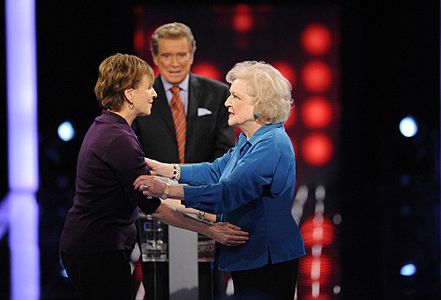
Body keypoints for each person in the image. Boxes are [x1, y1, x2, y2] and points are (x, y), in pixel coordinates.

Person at [59, 53, 248, 300]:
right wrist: (211, 229)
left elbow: (150, 195)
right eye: (148, 87)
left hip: (94, 246)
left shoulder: (109, 127)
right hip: (98, 250)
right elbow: (153, 205)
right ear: (129, 94)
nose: (155, 93)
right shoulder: (118, 139)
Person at [134, 61, 306, 300]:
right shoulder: (249, 140)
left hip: (266, 258)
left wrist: (165, 190)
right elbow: (216, 171)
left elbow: (228, 193)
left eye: (235, 96)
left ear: (260, 103)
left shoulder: (271, 144)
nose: (227, 102)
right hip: (250, 254)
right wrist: (167, 169)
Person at [132, 22, 235, 299]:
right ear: (154, 57)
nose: (175, 63)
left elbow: (225, 153)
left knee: (206, 285)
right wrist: (161, 191)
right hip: (154, 207)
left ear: (192, 54)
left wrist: (193, 192)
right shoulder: (141, 97)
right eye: (167, 55)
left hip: (203, 204)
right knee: (158, 285)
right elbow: (133, 152)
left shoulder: (217, 94)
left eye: (181, 54)